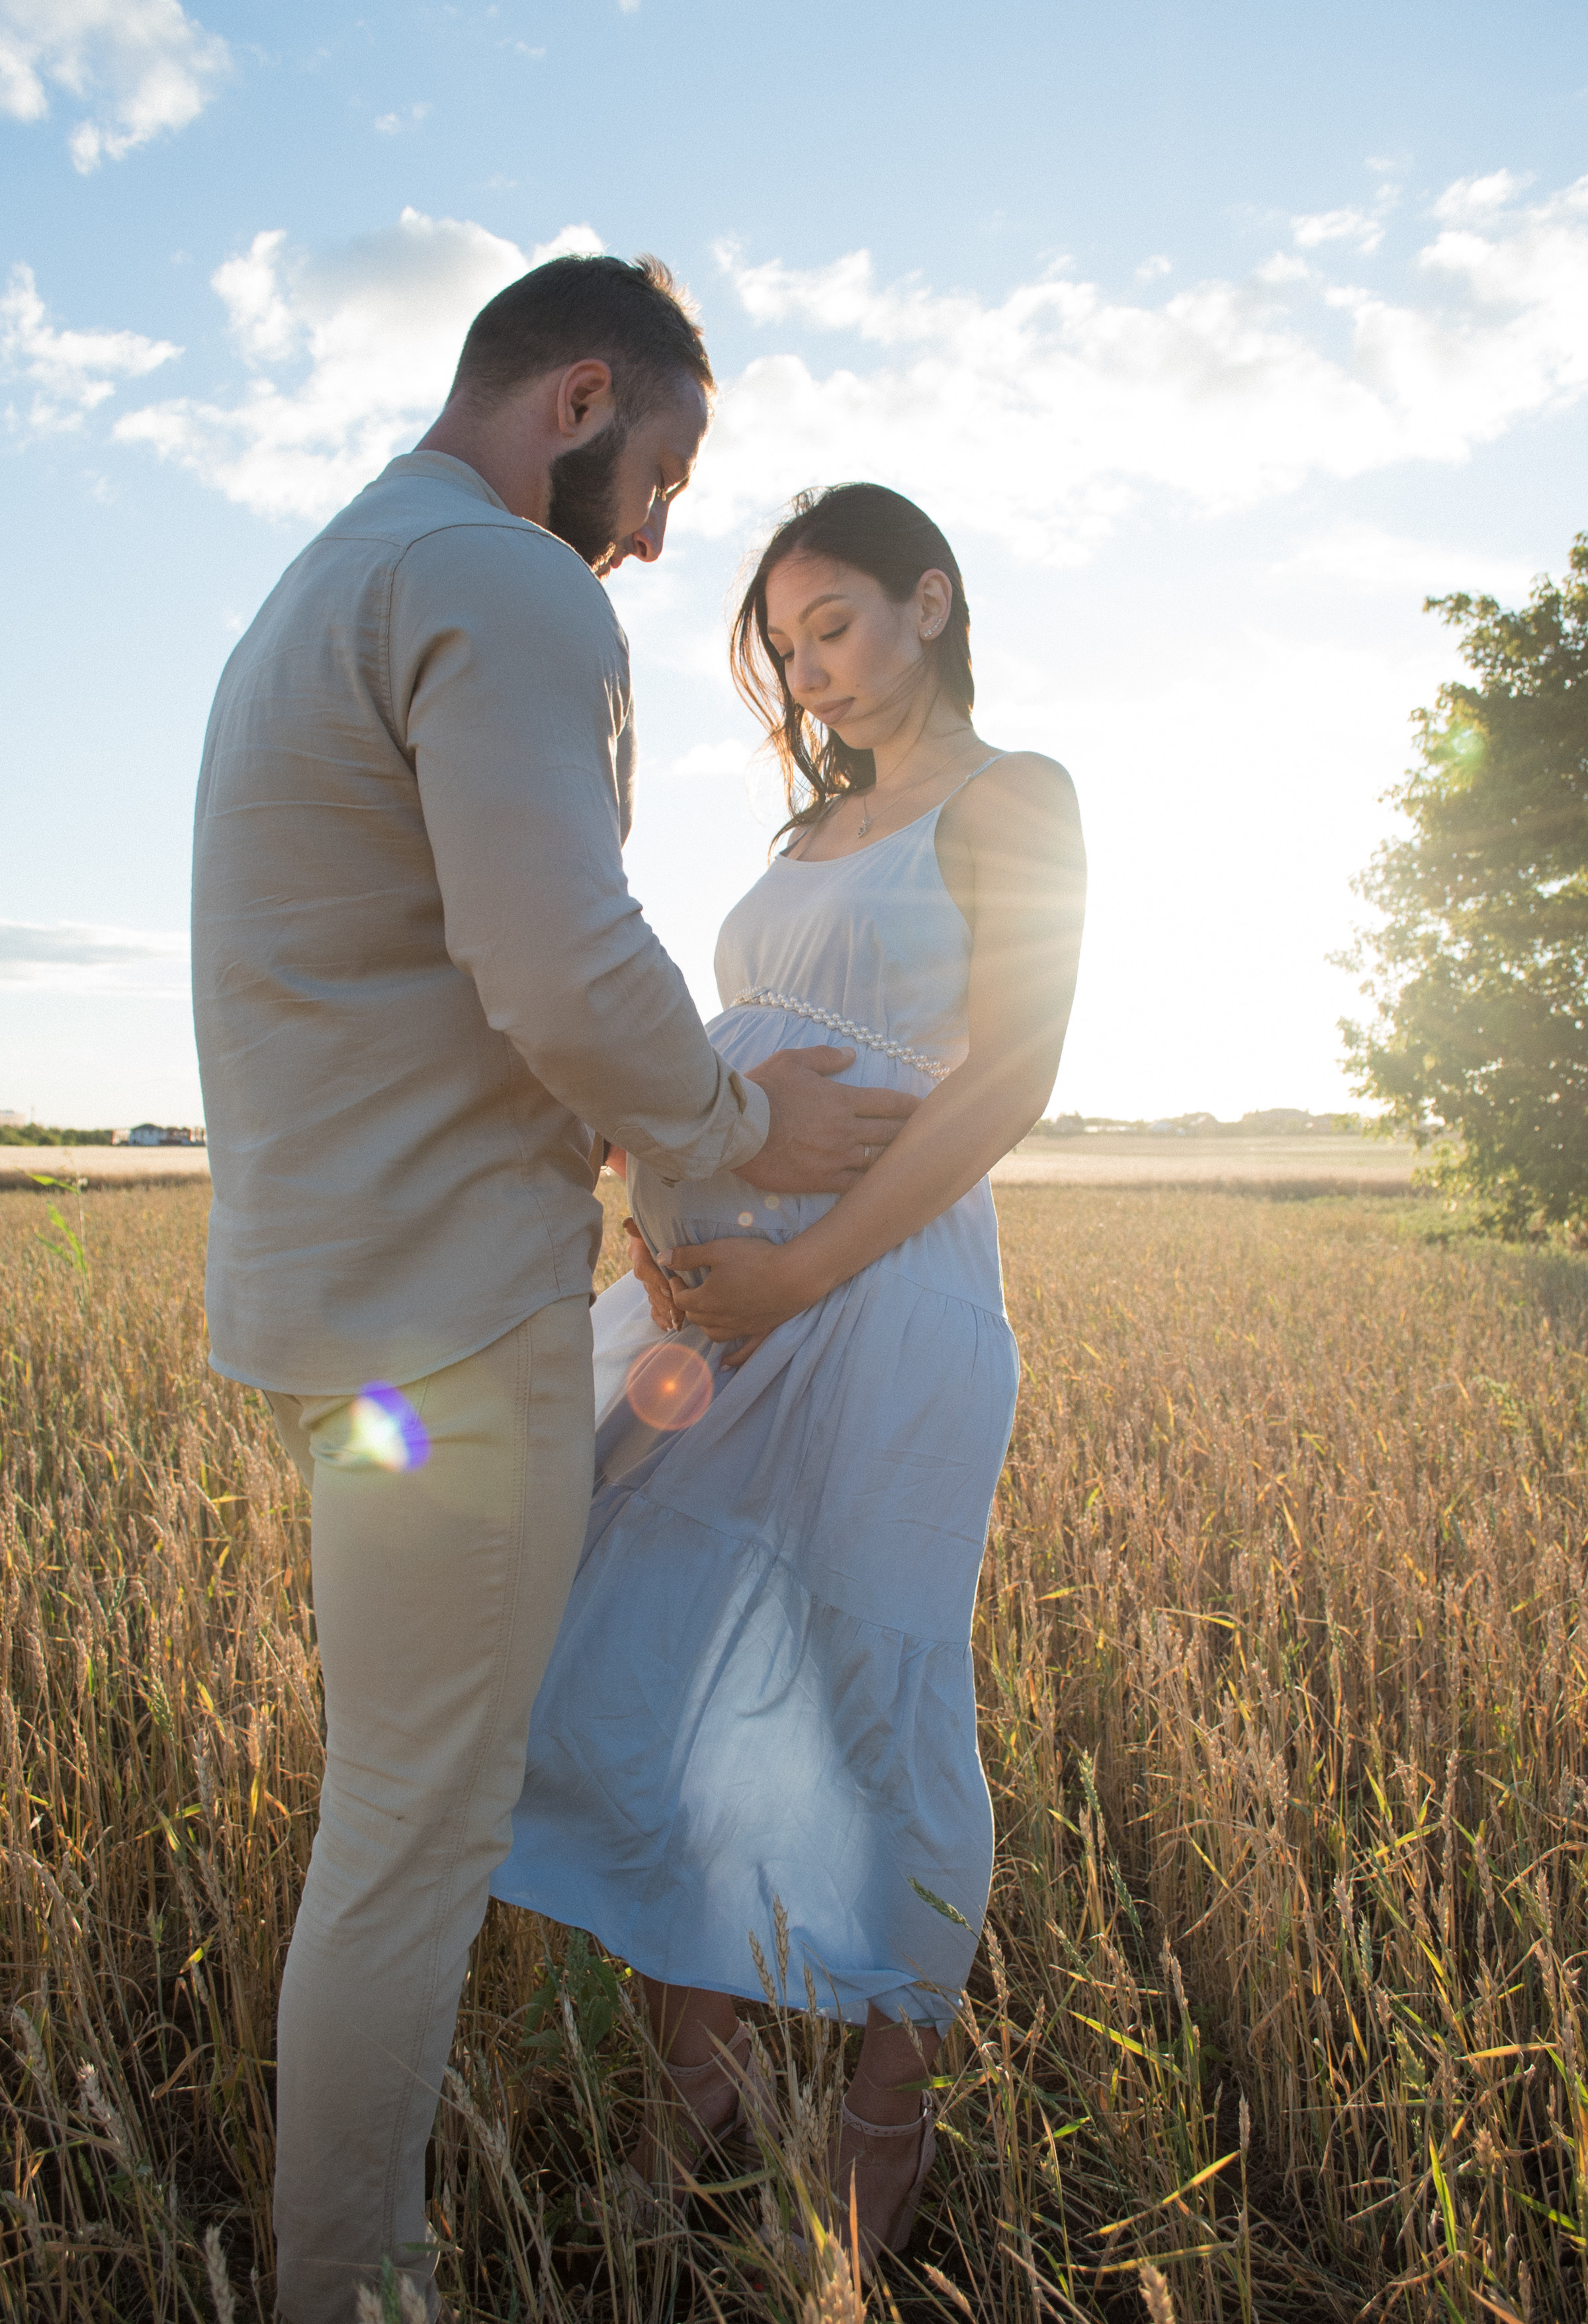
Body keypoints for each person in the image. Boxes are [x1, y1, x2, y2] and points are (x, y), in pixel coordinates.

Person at [191, 260, 920, 2324]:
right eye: (666, 468)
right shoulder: (508, 587)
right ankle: (360, 2288)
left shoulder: (335, 571)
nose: (664, 529)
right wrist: (726, 1131)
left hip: (344, 1304)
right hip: (443, 1315)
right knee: (414, 1836)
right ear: (581, 394)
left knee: (392, 1815)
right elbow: (559, 961)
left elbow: (412, 972)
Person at [492, 481, 1086, 2271]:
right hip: (715, 1306)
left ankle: (881, 2123)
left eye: (834, 625)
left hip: (878, 1301)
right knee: (654, 1675)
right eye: (783, 645)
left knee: (870, 1690)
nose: (809, 671)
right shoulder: (807, 826)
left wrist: (802, 1269)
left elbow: (1015, 1072)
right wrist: (677, 1239)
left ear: (930, 599)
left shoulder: (1012, 797)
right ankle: (700, 2109)